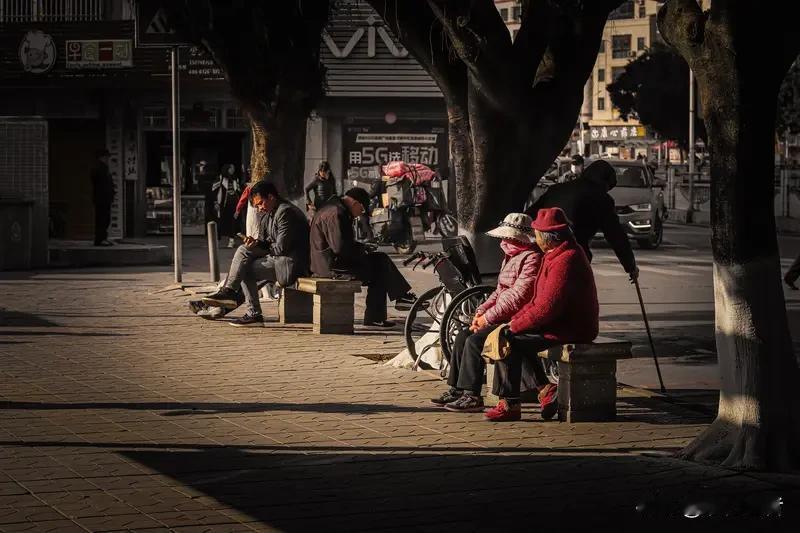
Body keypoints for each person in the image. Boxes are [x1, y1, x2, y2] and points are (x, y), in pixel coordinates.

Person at [445, 208, 600, 422]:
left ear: (548, 238)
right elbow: (536, 300)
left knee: (507, 339)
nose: (535, 240)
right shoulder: (554, 255)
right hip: (555, 322)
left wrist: (512, 325)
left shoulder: (566, 259)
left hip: (569, 327)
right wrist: (502, 320)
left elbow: (545, 306)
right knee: (508, 335)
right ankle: (544, 390)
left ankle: (509, 403)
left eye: (537, 235)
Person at [430, 213, 543, 408]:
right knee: (463, 336)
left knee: (475, 341)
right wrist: (481, 312)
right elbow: (499, 292)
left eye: (509, 237)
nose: (505, 241)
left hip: (517, 318)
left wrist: (488, 318)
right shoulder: (510, 256)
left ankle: (472, 395)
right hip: (501, 314)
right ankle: (457, 389)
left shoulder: (531, 258)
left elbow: (517, 298)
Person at [202, 181, 310, 327]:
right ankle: (232, 295)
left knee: (245, 263)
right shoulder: (268, 214)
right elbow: (266, 242)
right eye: (257, 206)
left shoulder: (286, 212)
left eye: (260, 203)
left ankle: (241, 302)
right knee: (244, 254)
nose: (259, 209)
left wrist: (258, 246)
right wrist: (255, 243)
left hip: (291, 264)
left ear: (271, 197)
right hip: (278, 260)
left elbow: (281, 248)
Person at [309, 187, 416, 327]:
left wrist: (363, 248)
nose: (360, 214)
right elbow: (340, 248)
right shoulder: (337, 213)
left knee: (379, 262)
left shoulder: (333, 208)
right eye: (362, 210)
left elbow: (340, 244)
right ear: (356, 203)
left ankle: (393, 303)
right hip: (331, 268)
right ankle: (395, 301)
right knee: (380, 265)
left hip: (327, 263)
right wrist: (362, 249)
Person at [527, 159, 639, 281]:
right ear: (606, 182)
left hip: (542, 248)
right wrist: (630, 265)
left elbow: (530, 214)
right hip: (573, 254)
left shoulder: (556, 189)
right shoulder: (602, 199)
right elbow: (615, 235)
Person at [212, 164, 242, 248]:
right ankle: (216, 241)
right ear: (227, 169)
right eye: (231, 168)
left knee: (232, 221)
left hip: (233, 203)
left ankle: (231, 240)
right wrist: (215, 202)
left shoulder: (235, 179)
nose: (233, 170)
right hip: (222, 203)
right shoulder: (221, 178)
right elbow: (214, 190)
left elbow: (238, 191)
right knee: (220, 221)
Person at [90, 148, 115, 246]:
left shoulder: (104, 168)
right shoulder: (98, 168)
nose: (108, 159)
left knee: (105, 219)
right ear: (102, 157)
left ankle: (103, 237)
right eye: (106, 157)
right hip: (101, 198)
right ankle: (100, 239)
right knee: (101, 219)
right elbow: (101, 184)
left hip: (104, 198)